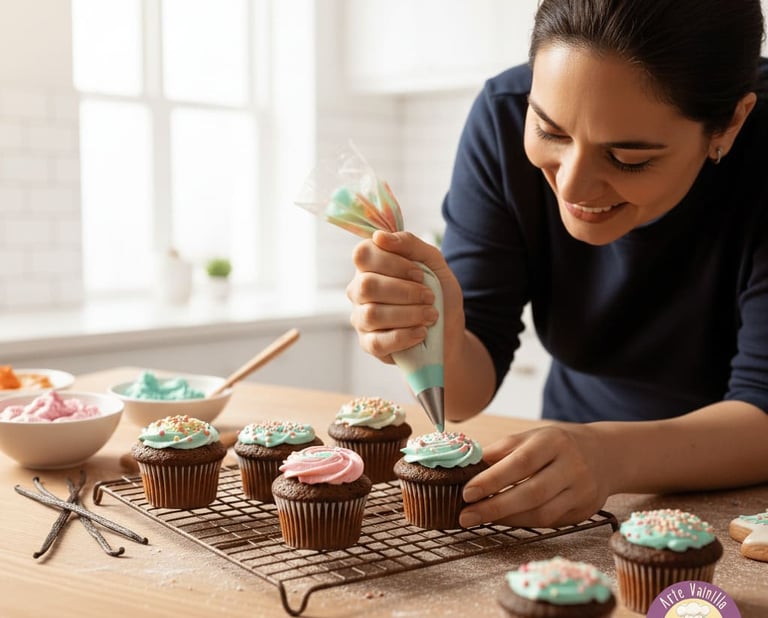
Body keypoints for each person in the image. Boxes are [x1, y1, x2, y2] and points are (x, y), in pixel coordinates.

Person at [344, 0, 768, 529]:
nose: (571, 186)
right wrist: (441, 333)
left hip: (746, 494)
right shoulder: (501, 114)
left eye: (628, 159)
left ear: (730, 123)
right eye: (549, 131)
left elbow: (764, 405)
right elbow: (469, 388)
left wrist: (611, 455)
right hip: (572, 472)